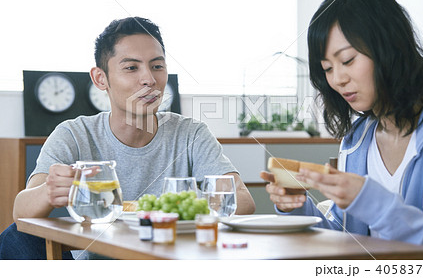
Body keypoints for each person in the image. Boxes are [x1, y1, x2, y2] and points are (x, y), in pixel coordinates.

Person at [0, 16, 255, 259]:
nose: (149, 79)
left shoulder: (191, 134)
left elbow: (242, 200)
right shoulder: (74, 134)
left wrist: (174, 207)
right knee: (15, 238)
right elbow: (21, 212)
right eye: (131, 68)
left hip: (172, 260)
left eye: (157, 66)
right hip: (99, 263)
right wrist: (49, 192)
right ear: (101, 78)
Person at [260, 0, 423, 249]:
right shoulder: (356, 142)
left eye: (348, 60)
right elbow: (347, 238)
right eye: (327, 68)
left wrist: (374, 203)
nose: (337, 79)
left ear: (388, 47)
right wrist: (297, 208)